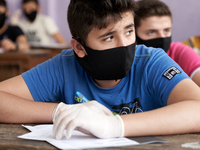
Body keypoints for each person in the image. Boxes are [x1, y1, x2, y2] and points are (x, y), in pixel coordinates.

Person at [0, 0, 200, 141]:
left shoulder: (151, 61)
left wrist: (115, 126)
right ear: (79, 48)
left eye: (129, 31)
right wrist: (60, 111)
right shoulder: (65, 66)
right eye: (109, 37)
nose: (124, 45)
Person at [135, 0, 200, 87]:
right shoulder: (126, 63)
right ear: (133, 34)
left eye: (166, 30)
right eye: (151, 32)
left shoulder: (180, 52)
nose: (162, 37)